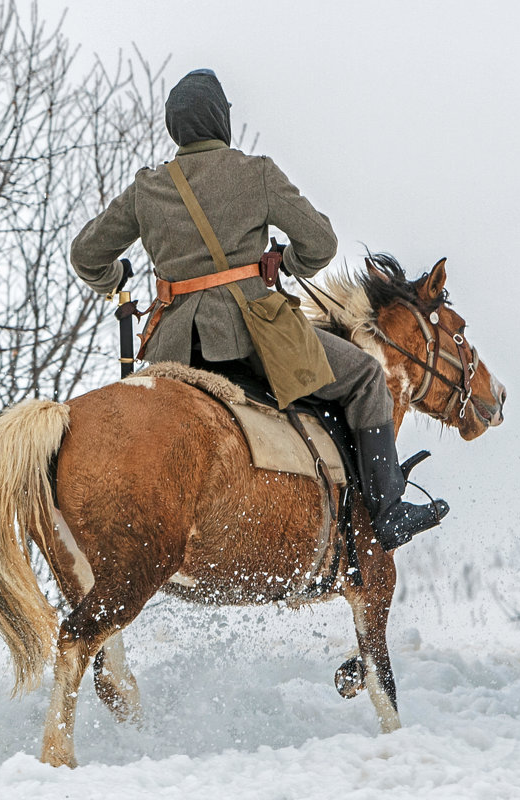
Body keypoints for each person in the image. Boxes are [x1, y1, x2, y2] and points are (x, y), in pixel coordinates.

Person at [68, 68, 447, 551]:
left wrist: (114, 278)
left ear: (174, 127)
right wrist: (286, 260)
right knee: (368, 378)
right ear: (221, 121)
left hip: (173, 352)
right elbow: (322, 243)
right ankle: (388, 511)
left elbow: (86, 256)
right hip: (252, 341)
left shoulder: (147, 189)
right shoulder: (256, 173)